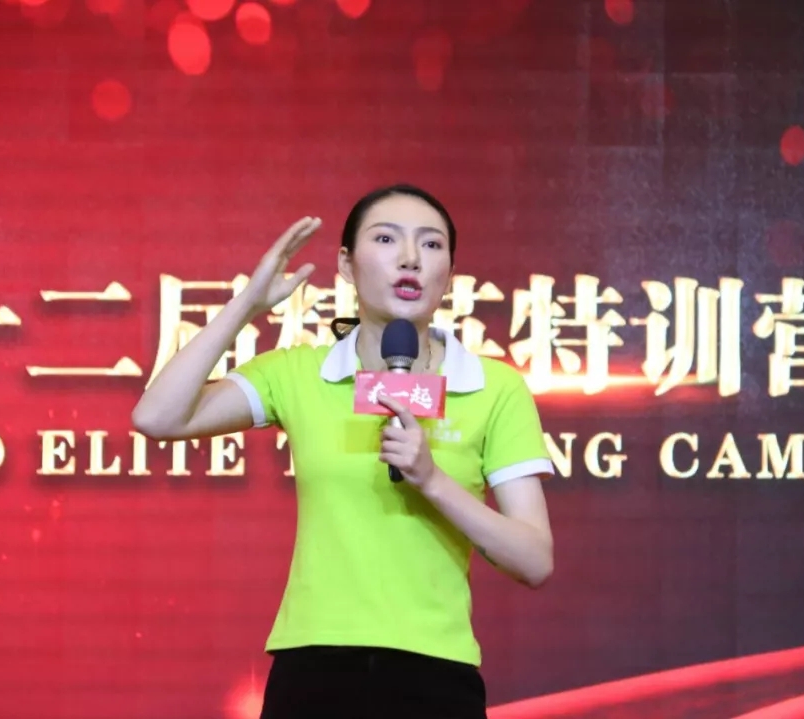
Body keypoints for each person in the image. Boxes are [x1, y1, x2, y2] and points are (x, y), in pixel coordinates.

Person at [131, 184, 555, 719]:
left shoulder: (493, 387)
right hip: (314, 668)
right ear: (347, 265)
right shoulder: (300, 372)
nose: (410, 259)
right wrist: (246, 306)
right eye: (387, 239)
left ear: (449, 273)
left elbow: (534, 560)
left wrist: (433, 481)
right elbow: (158, 417)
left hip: (436, 673)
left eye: (431, 245)